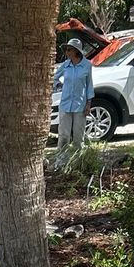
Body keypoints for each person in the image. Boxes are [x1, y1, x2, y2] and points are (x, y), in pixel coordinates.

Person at [54, 37, 94, 168]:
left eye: (69, 49)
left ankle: (78, 163)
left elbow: (89, 86)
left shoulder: (87, 65)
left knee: (78, 137)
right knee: (63, 136)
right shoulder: (65, 65)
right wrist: (59, 85)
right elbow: (53, 78)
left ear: (76, 51)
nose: (67, 52)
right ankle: (61, 163)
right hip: (65, 105)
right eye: (66, 49)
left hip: (80, 106)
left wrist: (88, 104)